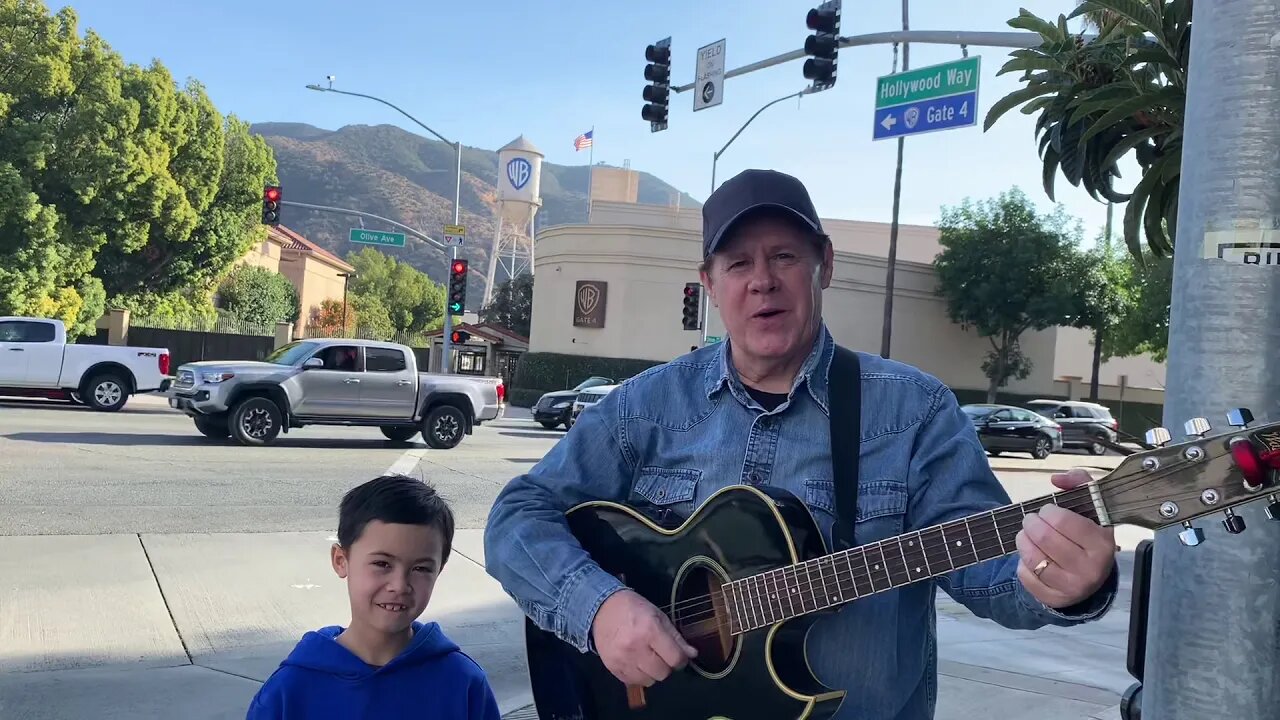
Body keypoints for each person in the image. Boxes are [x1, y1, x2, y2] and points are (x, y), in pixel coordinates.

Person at [483, 169, 1119, 719]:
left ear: (826, 264)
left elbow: (988, 572)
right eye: (738, 263)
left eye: (784, 256)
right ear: (710, 283)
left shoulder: (914, 411)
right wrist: (601, 609)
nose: (762, 280)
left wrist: (1062, 579)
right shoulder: (644, 408)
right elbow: (517, 516)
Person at [247, 474, 500, 720]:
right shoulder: (290, 691)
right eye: (382, 563)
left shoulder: (463, 684)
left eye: (421, 568)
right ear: (341, 561)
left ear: (439, 571)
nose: (400, 586)